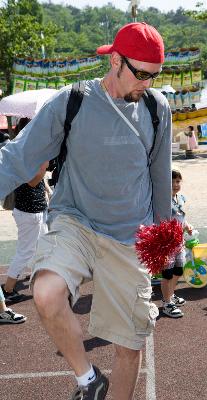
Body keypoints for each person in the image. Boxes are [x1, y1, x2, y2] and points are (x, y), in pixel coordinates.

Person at [0, 22, 171, 400]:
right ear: (114, 60)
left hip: (130, 235)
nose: (147, 83)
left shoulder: (158, 109)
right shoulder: (71, 101)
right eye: (140, 73)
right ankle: (88, 380)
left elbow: (160, 178)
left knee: (129, 347)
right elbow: (17, 156)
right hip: (75, 220)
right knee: (45, 293)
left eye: (154, 75)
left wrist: (168, 242)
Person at [1, 118, 50, 302]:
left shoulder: (22, 149)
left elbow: (38, 182)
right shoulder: (28, 153)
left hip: (31, 209)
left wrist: (48, 189)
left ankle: (39, 278)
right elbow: (32, 181)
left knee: (43, 246)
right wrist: (44, 165)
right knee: (26, 251)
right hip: (30, 211)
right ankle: (8, 289)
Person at [161, 170, 192, 318]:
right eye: (172, 182)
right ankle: (166, 303)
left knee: (178, 271)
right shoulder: (162, 201)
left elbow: (181, 218)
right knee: (167, 274)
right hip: (167, 243)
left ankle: (171, 295)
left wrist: (187, 226)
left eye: (178, 181)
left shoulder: (180, 198)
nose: (175, 184)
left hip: (179, 241)